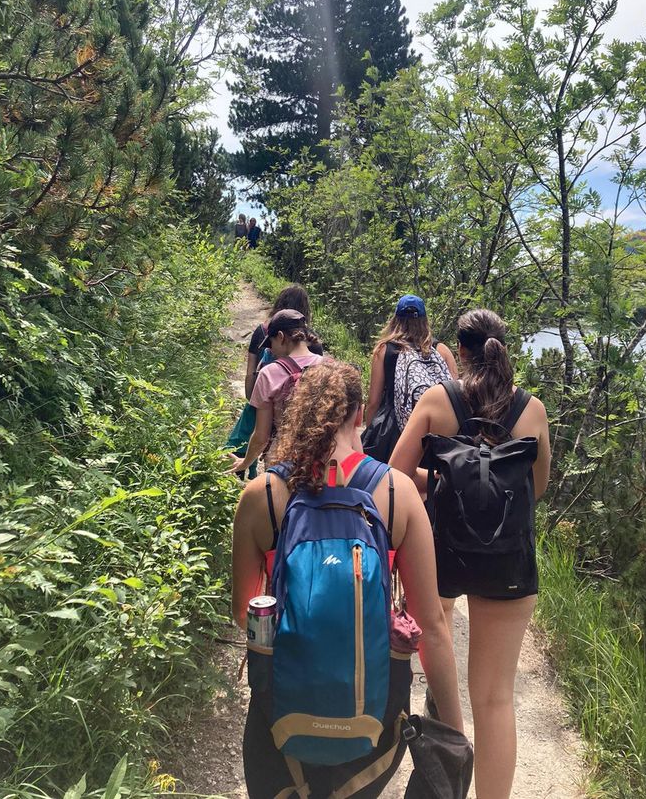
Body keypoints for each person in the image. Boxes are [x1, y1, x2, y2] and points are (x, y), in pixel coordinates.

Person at [232, 361, 464, 798]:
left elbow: (243, 610)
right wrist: (453, 733)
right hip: (371, 719)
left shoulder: (261, 495)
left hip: (279, 717)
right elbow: (431, 625)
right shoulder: (397, 493)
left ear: (297, 414)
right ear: (359, 415)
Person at [390, 309, 551, 799]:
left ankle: (443, 770)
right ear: (504, 349)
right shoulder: (533, 411)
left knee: (440, 657)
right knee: (496, 698)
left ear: (458, 353)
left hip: (444, 553)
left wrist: (441, 481)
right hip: (507, 560)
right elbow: (534, 490)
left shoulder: (438, 401)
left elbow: (394, 475)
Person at [228, 309, 325, 477]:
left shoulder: (270, 373)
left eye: (271, 343)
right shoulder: (330, 367)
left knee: (280, 503)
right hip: (321, 458)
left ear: (280, 336)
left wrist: (245, 462)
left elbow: (261, 436)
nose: (270, 350)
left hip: (282, 459)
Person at [365, 294, 459, 430]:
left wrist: (370, 432)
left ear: (395, 319)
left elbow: (374, 401)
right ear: (424, 320)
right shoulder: (441, 350)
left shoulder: (384, 350)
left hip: (395, 428)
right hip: (434, 427)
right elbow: (454, 393)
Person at [245, 284, 319, 399]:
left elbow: (250, 373)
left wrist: (251, 401)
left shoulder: (262, 331)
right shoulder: (312, 340)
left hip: (263, 400)